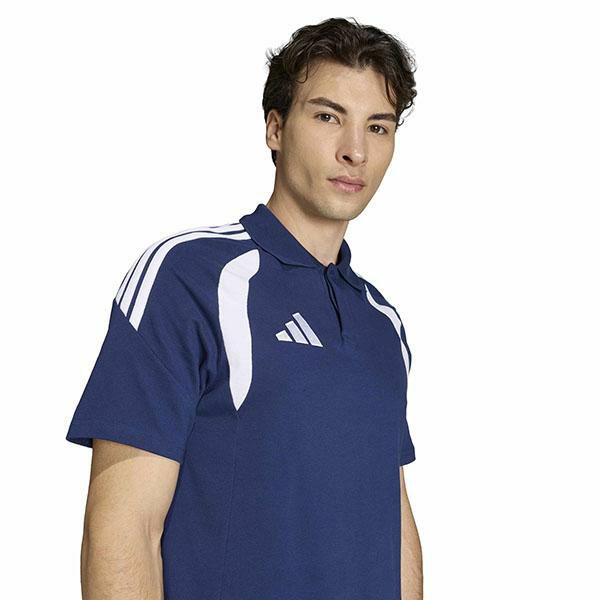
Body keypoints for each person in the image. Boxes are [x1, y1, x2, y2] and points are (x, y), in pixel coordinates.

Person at [66, 16, 422, 600]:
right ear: (275, 128)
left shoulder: (382, 324)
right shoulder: (190, 277)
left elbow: (393, 521)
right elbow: (124, 528)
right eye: (328, 116)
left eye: (377, 127)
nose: (355, 150)